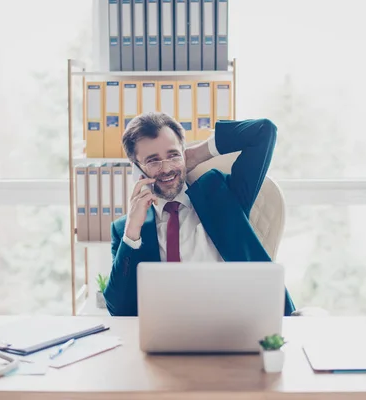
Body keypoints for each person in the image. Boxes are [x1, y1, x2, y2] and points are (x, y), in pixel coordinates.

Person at [103, 112, 296, 316]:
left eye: (173, 155)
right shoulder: (127, 230)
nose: (166, 168)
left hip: (238, 321)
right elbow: (118, 309)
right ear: (137, 170)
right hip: (169, 334)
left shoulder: (221, 193)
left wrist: (197, 154)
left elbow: (263, 132)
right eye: (153, 160)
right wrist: (133, 229)